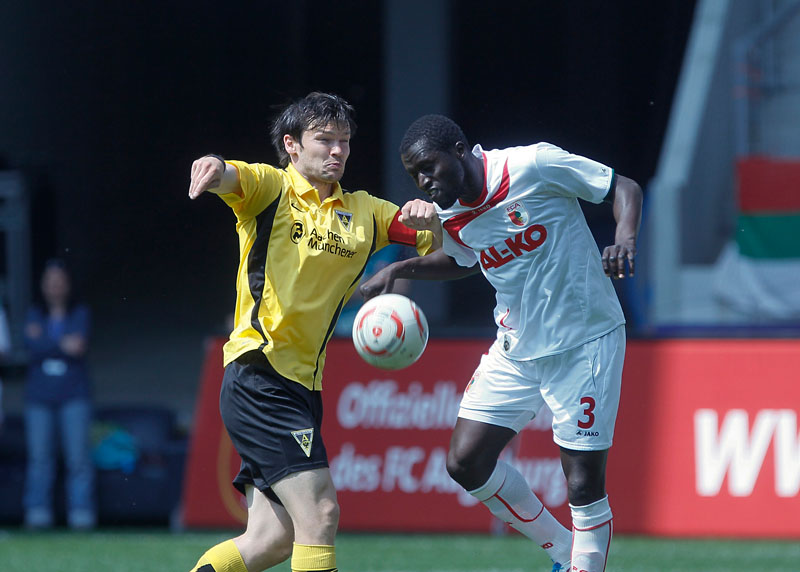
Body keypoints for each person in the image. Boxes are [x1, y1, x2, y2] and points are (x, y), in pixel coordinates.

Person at [360, 114, 642, 572]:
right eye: (415, 175)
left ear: (459, 150)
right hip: (515, 349)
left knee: (582, 484)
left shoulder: (533, 165)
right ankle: (562, 550)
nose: (424, 182)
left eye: (429, 167)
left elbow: (623, 187)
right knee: (465, 461)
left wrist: (624, 239)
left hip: (585, 342)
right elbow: (464, 260)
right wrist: (398, 269)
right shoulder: (449, 213)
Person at [186, 92, 440, 572]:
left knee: (270, 540)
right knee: (320, 512)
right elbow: (232, 176)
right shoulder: (272, 189)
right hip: (259, 373)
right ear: (292, 145)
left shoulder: (366, 212)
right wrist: (214, 167)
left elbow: (437, 241)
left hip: (303, 385)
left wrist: (430, 219)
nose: (337, 150)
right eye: (324, 139)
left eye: (344, 141)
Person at [23, 258, 96, 530]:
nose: (54, 286)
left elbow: (77, 346)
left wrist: (45, 342)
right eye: (50, 281)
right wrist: (60, 344)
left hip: (74, 395)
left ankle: (81, 514)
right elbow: (31, 345)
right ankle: (37, 513)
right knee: (40, 458)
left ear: (68, 284)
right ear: (42, 285)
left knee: (78, 458)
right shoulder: (33, 313)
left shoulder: (80, 312)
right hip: (39, 397)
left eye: (59, 281)